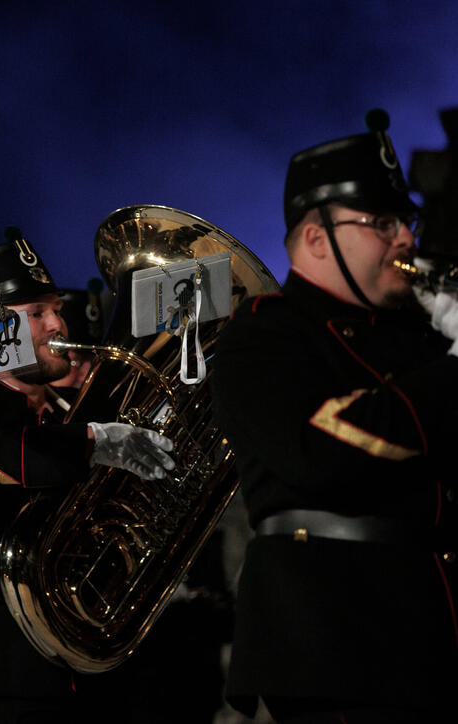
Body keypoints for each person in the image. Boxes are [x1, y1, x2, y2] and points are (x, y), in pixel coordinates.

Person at [211, 110, 458, 721]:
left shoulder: (418, 336)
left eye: (407, 220)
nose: (406, 238)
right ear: (317, 239)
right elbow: (319, 450)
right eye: (382, 222)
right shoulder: (264, 332)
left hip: (437, 636)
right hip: (336, 641)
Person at [0, 227, 175, 723]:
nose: (58, 322)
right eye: (37, 313)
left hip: (68, 646)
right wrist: (95, 441)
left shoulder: (55, 415)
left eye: (55, 308)